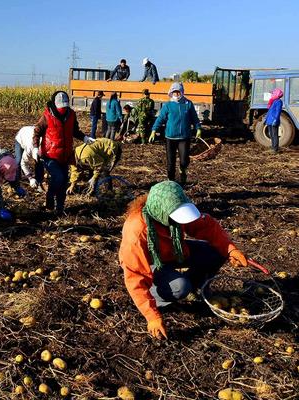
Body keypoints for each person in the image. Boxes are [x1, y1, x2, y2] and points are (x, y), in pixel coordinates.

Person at [119, 180, 248, 340]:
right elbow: (135, 275)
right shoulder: (136, 232)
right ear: (161, 212)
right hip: (151, 263)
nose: (181, 221)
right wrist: (152, 316)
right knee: (180, 286)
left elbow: (206, 226)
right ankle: (156, 296)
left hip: (175, 251)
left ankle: (195, 288)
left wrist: (231, 249)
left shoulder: (173, 210)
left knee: (216, 252)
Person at [32, 91, 95, 215]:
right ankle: (49, 197)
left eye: (65, 105)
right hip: (49, 154)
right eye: (61, 106)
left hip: (65, 155)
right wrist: (35, 147)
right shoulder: (47, 116)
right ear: (55, 105)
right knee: (58, 177)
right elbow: (37, 132)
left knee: (63, 182)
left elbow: (75, 130)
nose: (63, 108)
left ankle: (60, 208)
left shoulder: (71, 115)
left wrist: (84, 138)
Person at [149, 82, 201, 185]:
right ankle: (171, 181)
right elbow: (160, 118)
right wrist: (154, 130)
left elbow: (194, 118)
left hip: (184, 137)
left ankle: (182, 171)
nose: (176, 94)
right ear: (171, 92)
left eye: (178, 92)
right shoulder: (168, 105)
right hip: (170, 137)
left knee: (184, 160)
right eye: (174, 92)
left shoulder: (188, 104)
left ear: (182, 92)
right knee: (170, 162)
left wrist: (198, 128)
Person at [15, 126, 44, 191]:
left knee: (39, 164)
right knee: (18, 161)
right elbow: (23, 163)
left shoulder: (46, 146)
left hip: (31, 133)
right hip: (21, 136)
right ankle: (16, 182)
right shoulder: (29, 148)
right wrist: (30, 178)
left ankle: (39, 182)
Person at [265, 88, 283, 153]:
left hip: (273, 120)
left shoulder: (278, 101)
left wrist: (275, 119)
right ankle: (273, 147)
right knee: (271, 134)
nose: (272, 94)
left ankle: (275, 149)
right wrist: (266, 119)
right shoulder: (273, 101)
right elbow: (270, 111)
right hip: (269, 120)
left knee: (275, 134)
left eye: (273, 93)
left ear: (277, 94)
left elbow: (278, 111)